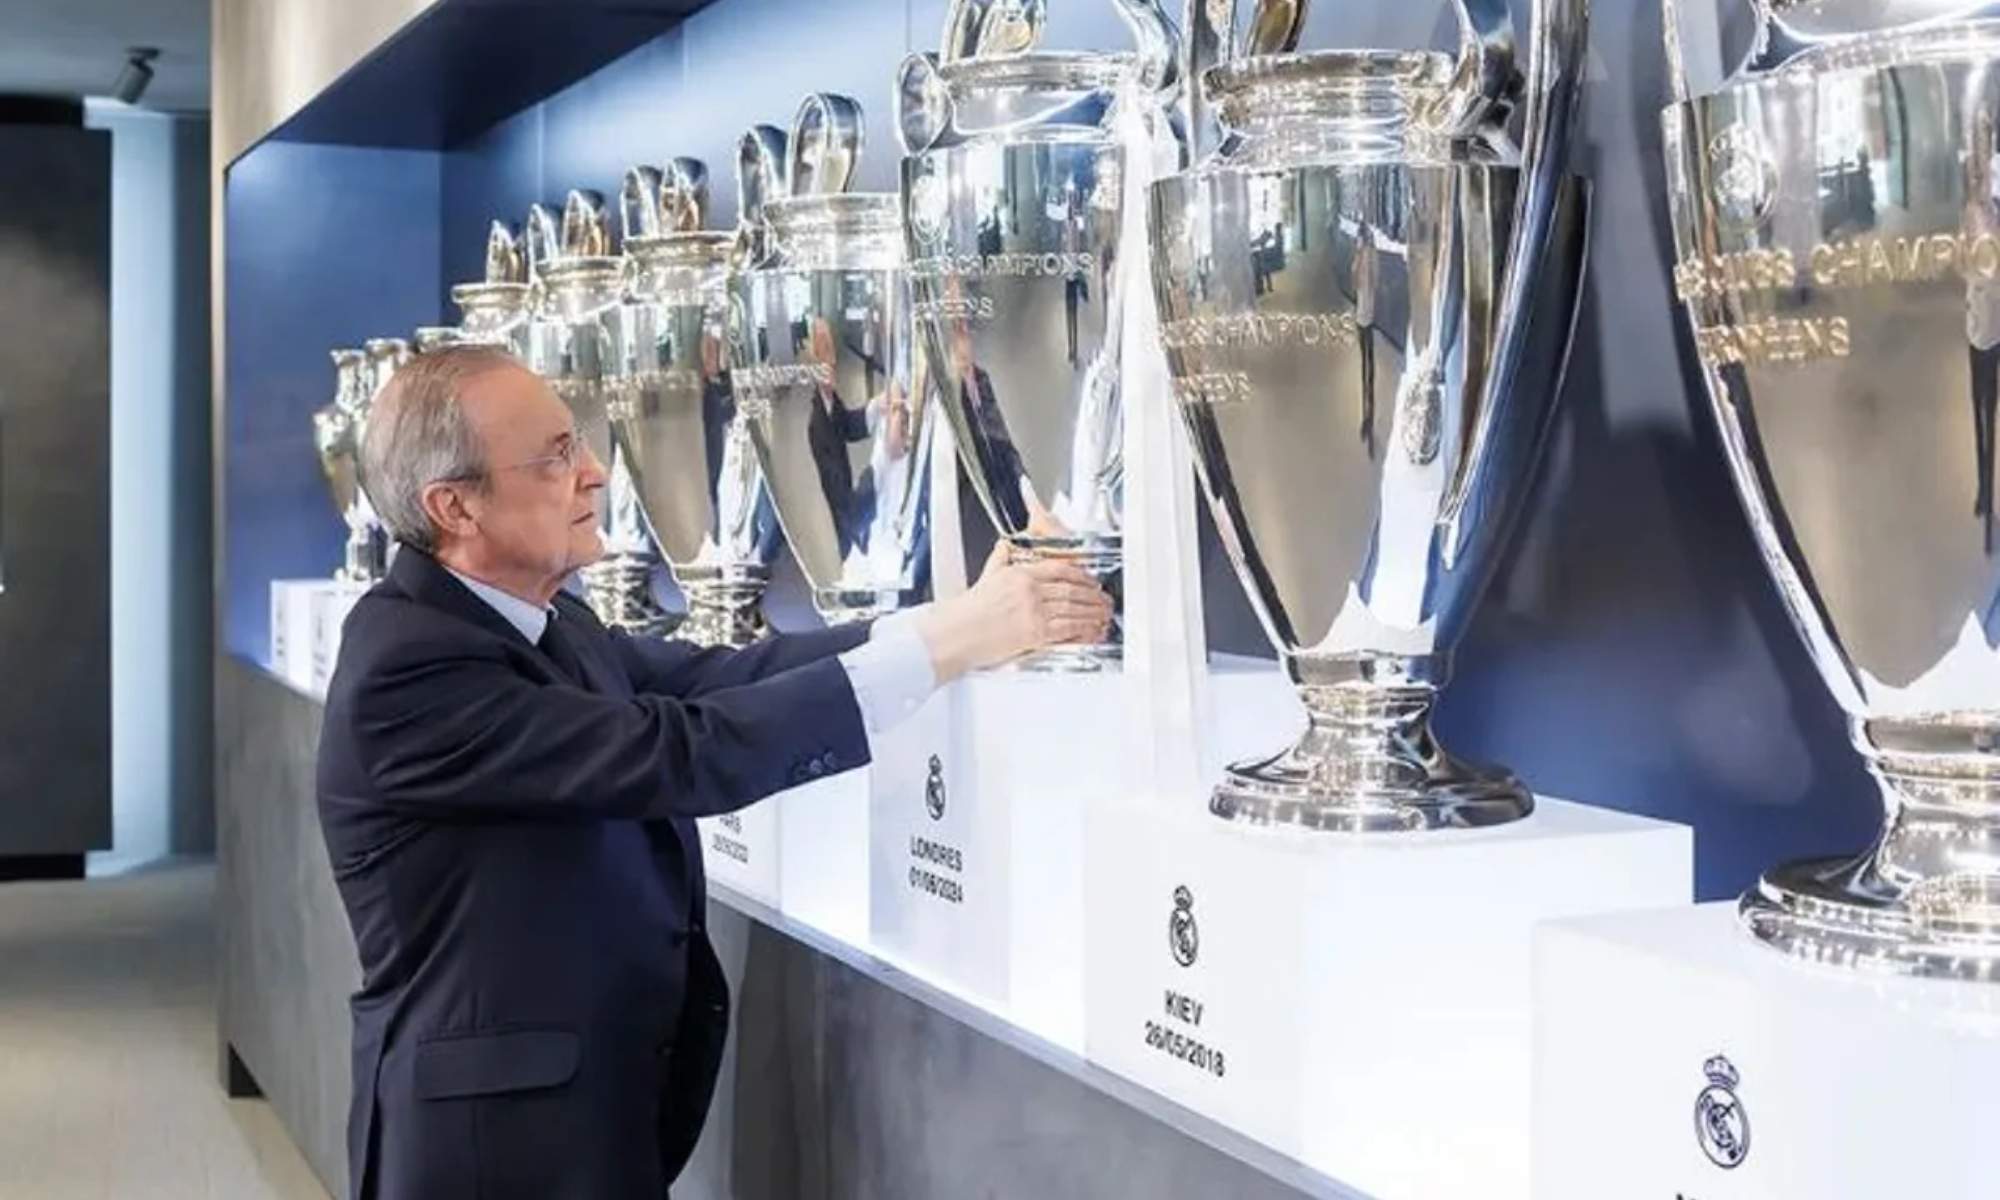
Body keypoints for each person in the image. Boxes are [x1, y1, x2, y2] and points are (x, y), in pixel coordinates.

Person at [315, 346, 1111, 1200]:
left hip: (576, 1125)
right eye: (553, 456)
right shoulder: (409, 666)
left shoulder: (545, 620)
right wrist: (951, 644)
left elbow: (717, 678)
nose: (593, 472)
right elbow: (678, 750)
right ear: (454, 506)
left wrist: (949, 623)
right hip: (489, 1156)